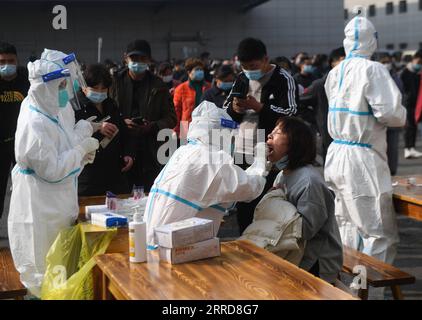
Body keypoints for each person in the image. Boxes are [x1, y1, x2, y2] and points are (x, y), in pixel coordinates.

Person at [324, 16, 407, 288]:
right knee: (378, 232)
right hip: (362, 158)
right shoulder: (373, 70)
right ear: (373, 40)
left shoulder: (335, 72)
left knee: (346, 226)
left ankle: (347, 288)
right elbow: (393, 115)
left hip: (336, 153)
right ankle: (367, 293)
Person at [8, 57, 100, 296]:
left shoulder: (49, 107)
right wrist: (80, 151)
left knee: (59, 259)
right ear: (44, 86)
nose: (65, 92)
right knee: (43, 262)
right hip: (40, 204)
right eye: (60, 86)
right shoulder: (35, 122)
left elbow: (63, 143)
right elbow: (53, 169)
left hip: (56, 199)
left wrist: (81, 152)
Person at [144, 101, 268, 247]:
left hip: (155, 242)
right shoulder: (212, 161)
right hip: (175, 249)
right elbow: (251, 188)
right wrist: (262, 158)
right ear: (221, 134)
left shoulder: (184, 152)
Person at [224, 37, 299, 233]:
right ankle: (245, 242)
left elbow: (291, 112)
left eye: (254, 65)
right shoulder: (241, 78)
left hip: (269, 152)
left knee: (267, 203)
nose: (249, 70)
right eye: (245, 66)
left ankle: (267, 246)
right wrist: (235, 108)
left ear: (265, 59)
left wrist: (260, 107)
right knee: (244, 203)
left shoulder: (283, 78)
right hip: (241, 150)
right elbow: (225, 112)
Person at [265, 117, 343, 284]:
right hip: (292, 252)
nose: (269, 136)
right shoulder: (282, 174)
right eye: (271, 132)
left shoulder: (308, 182)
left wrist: (277, 203)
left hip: (315, 261)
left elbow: (305, 230)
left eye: (277, 133)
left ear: (294, 144)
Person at [110, 39, 177, 192]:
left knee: (148, 194)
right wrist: (121, 122)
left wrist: (151, 127)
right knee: (121, 194)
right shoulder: (115, 82)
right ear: (125, 58)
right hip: (120, 145)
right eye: (134, 59)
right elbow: (106, 113)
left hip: (150, 149)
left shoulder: (158, 85)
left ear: (149, 60)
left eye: (142, 59)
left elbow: (171, 118)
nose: (138, 63)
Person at [75, 64, 137, 195]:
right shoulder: (76, 108)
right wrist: (95, 129)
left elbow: (125, 134)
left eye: (103, 89)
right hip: (88, 178)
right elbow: (72, 138)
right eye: (95, 88)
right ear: (84, 87)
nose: (99, 92)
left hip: (115, 176)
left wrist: (128, 154)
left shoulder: (111, 105)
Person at [0, 42, 30, 220]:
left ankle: (26, 222)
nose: (6, 65)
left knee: (26, 186)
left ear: (17, 61)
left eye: (10, 61)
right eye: (2, 61)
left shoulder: (26, 79)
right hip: (1, 143)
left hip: (23, 142)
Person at [300, 47, 346, 163]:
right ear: (332, 63)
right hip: (330, 139)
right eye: (343, 60)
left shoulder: (355, 83)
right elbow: (299, 103)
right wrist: (317, 119)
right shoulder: (320, 85)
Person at [173, 58, 211, 139]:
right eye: (197, 69)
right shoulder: (181, 88)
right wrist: (176, 130)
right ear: (189, 72)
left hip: (205, 127)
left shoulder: (209, 87)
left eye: (201, 69)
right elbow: (177, 110)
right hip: (186, 127)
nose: (200, 71)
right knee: (186, 150)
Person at [380, 55, 404, 175]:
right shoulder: (376, 77)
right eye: (384, 62)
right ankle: (383, 172)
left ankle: (392, 171)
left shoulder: (395, 77)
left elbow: (400, 97)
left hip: (393, 120)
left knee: (392, 148)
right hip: (380, 121)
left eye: (388, 62)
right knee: (381, 149)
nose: (386, 64)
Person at [400, 50, 422, 159]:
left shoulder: (417, 74)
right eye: (419, 61)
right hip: (406, 103)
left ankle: (411, 148)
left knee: (413, 126)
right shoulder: (405, 72)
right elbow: (400, 89)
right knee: (408, 126)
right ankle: (407, 148)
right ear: (414, 59)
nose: (419, 64)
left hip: (415, 104)